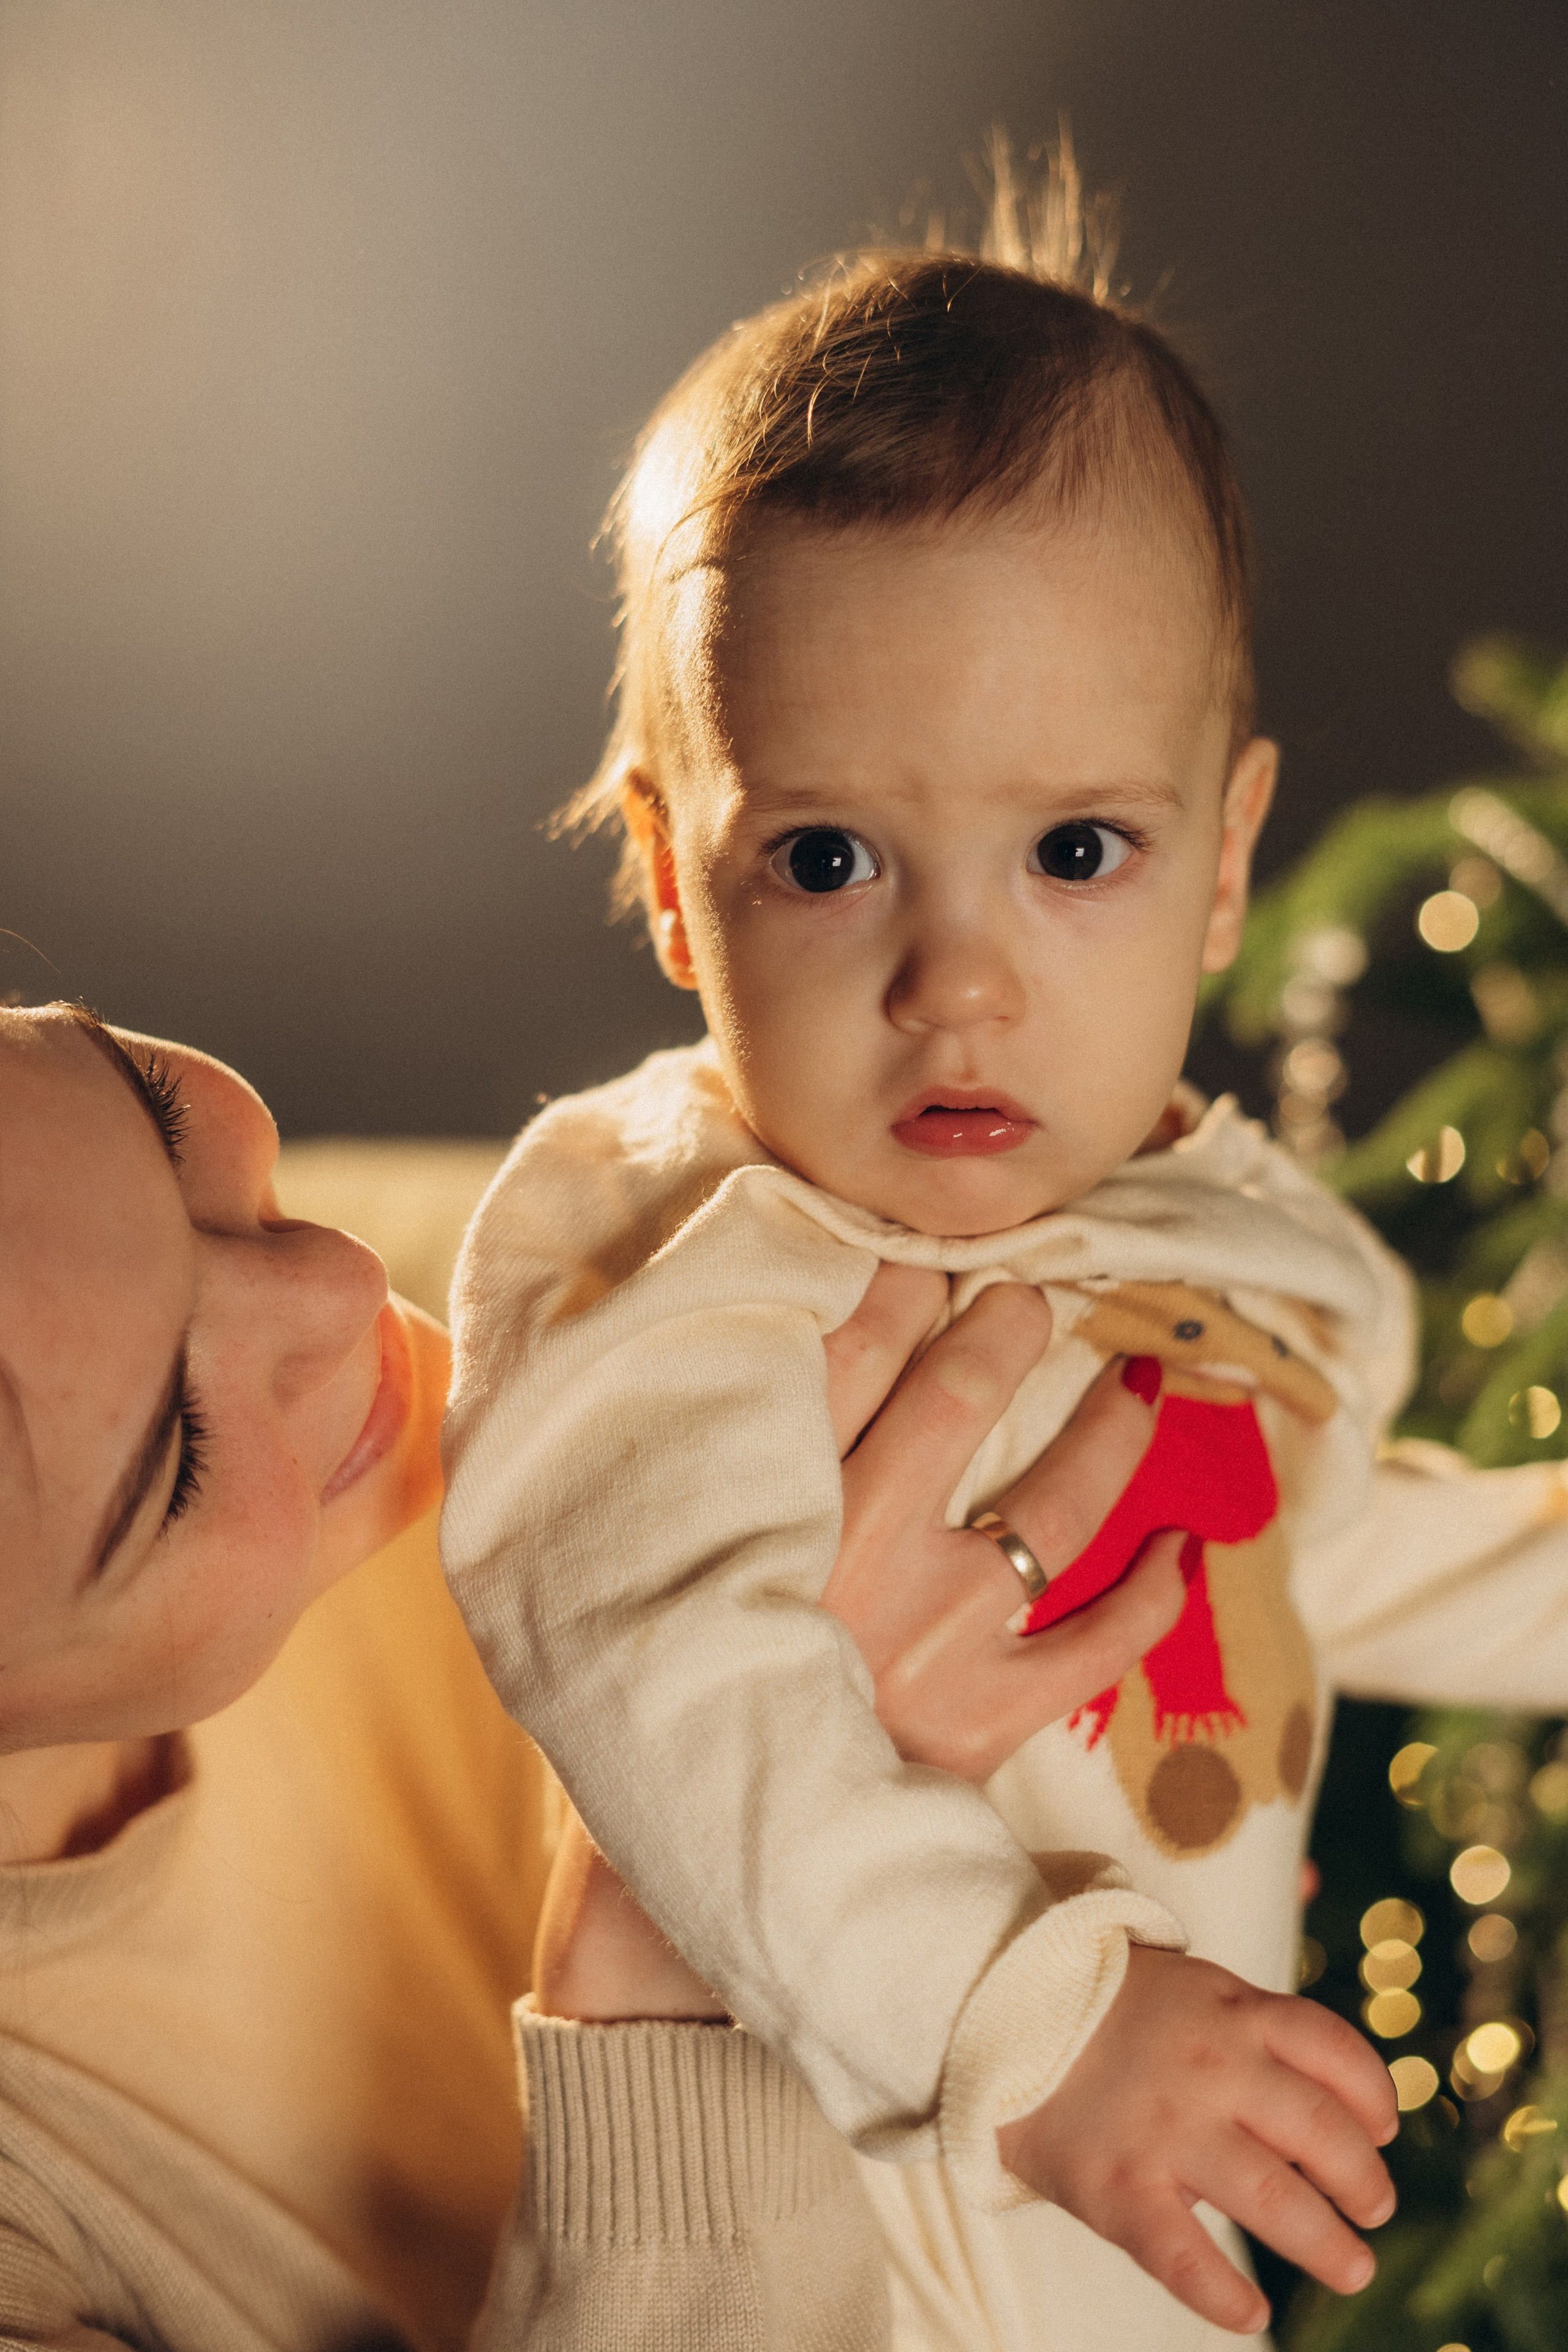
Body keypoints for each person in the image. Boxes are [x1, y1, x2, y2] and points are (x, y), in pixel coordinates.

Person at [440, 239, 1568, 2351]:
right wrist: (1033, 2023)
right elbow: (673, 1679)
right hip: (813, 2274)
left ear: (1225, 864)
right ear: (674, 882)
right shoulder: (707, 1287)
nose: (957, 986)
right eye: (829, 858)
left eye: (1073, 853)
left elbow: (1315, 1540)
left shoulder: (1196, 1265)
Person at [0, 997, 1185, 2351]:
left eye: (153, 1111)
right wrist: (706, 1876)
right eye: (183, 1454)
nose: (339, 1279)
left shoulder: (507, 1276)